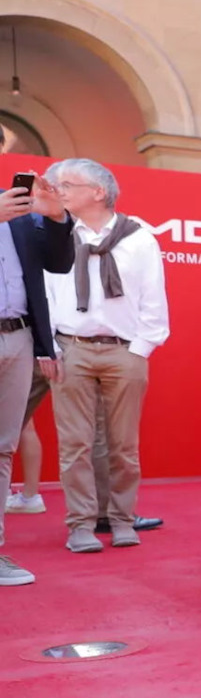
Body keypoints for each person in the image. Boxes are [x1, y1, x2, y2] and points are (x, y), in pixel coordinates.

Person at [45, 159, 169, 553]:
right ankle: (80, 524)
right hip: (71, 350)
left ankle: (121, 519)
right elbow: (46, 295)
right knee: (75, 446)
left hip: (124, 353)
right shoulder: (58, 236)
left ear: (98, 192)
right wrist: (50, 347)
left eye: (68, 184)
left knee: (123, 447)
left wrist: (140, 350)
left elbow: (154, 301)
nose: (60, 190)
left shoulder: (140, 239)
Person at [0, 167, 75, 586]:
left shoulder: (18, 207)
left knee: (3, 447)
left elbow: (59, 264)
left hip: (18, 338)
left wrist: (56, 217)